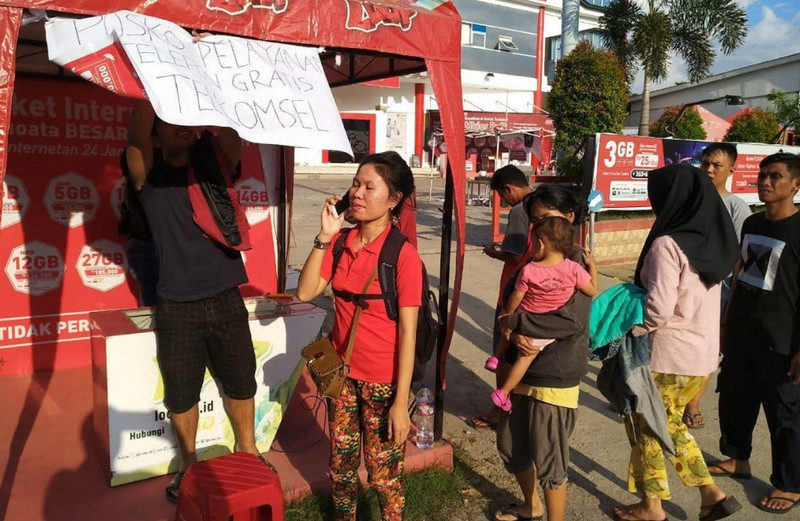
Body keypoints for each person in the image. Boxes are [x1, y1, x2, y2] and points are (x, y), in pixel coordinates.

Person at [124, 99, 263, 503]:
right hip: (177, 305)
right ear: (158, 134)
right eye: (170, 120)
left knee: (241, 381)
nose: (181, 124)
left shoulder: (215, 165)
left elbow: (233, 130)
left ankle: (249, 451)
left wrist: (209, 81)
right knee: (181, 393)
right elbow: (136, 135)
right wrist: (153, 81)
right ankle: (188, 465)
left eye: (186, 117)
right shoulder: (148, 177)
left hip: (226, 296)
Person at [296, 151, 421, 521]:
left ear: (394, 199)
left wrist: (401, 402)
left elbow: (409, 334)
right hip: (342, 378)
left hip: (383, 384)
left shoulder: (402, 256)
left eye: (369, 187)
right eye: (355, 184)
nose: (357, 193)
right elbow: (305, 292)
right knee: (342, 468)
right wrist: (324, 236)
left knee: (384, 475)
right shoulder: (340, 243)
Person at [614, 164, 741, 521]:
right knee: (669, 425)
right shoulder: (713, 243)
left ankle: (653, 507)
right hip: (700, 358)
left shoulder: (667, 244)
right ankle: (710, 495)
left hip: (666, 357)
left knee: (649, 429)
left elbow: (658, 309)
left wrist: (628, 329)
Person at [710, 153, 800, 515]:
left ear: (795, 185)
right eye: (763, 175)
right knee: (735, 398)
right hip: (742, 331)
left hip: (782, 339)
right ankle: (737, 458)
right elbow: (740, 271)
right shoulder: (752, 222)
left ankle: (789, 483)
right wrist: (725, 321)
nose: (765, 181)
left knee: (785, 415)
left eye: (775, 176)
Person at [493, 184, 588, 521]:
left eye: (545, 217)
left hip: (554, 374)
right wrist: (510, 326)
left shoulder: (576, 263)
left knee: (550, 457)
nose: (538, 226)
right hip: (519, 369)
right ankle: (531, 504)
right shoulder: (535, 257)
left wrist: (517, 323)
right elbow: (510, 303)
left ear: (570, 218)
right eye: (534, 220)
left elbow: (572, 320)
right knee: (510, 445)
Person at [486, 216, 598, 412]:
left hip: (524, 314)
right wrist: (593, 266)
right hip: (545, 325)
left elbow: (516, 296)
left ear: (541, 243)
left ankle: (496, 360)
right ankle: (503, 392)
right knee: (525, 358)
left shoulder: (529, 270)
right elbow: (592, 290)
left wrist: (508, 314)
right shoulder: (574, 269)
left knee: (509, 331)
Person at [683, 143, 751, 429]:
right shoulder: (688, 201)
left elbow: (738, 259)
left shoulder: (737, 208)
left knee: (708, 349)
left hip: (716, 290)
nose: (709, 169)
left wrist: (730, 301)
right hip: (683, 287)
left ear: (731, 170)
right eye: (706, 163)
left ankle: (693, 404)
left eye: (717, 165)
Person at [470, 164, 533, 430]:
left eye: (502, 195)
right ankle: (519, 410)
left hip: (514, 293)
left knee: (504, 354)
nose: (504, 201)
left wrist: (493, 252)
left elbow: (514, 253)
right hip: (540, 296)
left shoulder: (520, 210)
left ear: (508, 188)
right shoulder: (547, 203)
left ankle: (499, 411)